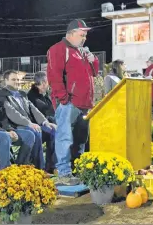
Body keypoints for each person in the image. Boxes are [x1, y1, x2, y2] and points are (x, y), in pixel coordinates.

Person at [47, 19, 99, 185]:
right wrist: (64, 98)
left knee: (81, 139)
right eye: (81, 34)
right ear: (71, 33)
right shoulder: (58, 49)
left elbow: (94, 73)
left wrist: (93, 60)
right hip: (69, 103)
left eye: (85, 35)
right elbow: (54, 76)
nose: (84, 38)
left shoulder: (82, 51)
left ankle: (77, 170)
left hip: (84, 104)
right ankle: (63, 173)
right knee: (65, 137)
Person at [0, 70, 56, 171]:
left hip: (29, 124)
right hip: (15, 126)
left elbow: (33, 109)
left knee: (53, 130)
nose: (17, 81)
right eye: (13, 79)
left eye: (18, 79)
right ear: (6, 81)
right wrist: (29, 123)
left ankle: (51, 166)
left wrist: (45, 122)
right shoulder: (0, 94)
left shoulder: (22, 93)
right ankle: (38, 168)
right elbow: (11, 112)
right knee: (36, 132)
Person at [27, 71, 57, 173]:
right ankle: (47, 167)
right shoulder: (31, 96)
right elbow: (36, 115)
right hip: (37, 126)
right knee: (53, 133)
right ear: (44, 82)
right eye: (48, 82)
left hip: (49, 123)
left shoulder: (45, 95)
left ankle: (54, 165)